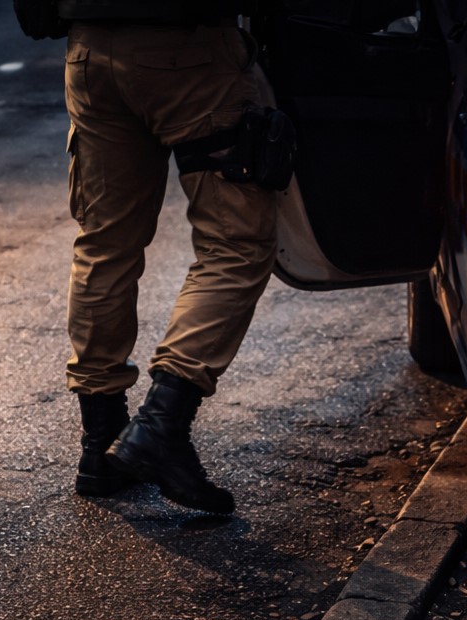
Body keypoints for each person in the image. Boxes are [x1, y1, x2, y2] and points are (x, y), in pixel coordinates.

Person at [56, 0, 282, 515]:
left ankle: (102, 447)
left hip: (90, 46)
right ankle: (161, 425)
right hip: (189, 49)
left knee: (105, 243)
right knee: (238, 243)